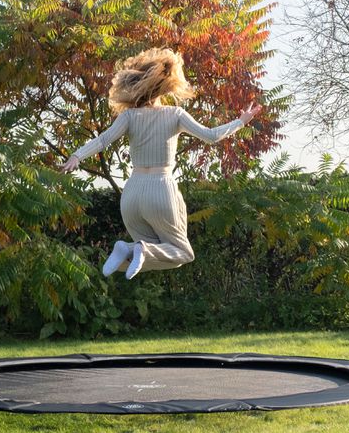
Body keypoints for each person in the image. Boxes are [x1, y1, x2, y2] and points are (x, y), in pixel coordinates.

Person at [58, 48, 262, 279]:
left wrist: (76, 156)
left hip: (132, 194)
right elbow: (211, 136)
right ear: (166, 85)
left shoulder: (129, 116)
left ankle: (128, 248)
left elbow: (103, 140)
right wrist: (242, 121)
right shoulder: (175, 114)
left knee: (150, 253)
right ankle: (137, 248)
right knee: (182, 253)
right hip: (160, 189)